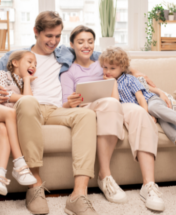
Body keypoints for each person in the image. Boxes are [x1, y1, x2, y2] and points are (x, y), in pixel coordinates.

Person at [0, 12, 101, 215]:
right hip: (29, 108)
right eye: (49, 36)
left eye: (58, 36)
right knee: (28, 101)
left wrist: (133, 71)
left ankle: (79, 194)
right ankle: (35, 187)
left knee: (87, 115)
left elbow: (100, 56)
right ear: (36, 32)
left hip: (56, 109)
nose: (54, 41)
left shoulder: (65, 53)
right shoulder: (18, 55)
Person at [60, 25, 170, 212]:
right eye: (80, 42)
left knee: (138, 112)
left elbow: (124, 67)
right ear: (72, 44)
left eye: (90, 41)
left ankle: (149, 185)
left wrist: (154, 88)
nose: (86, 45)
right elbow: (64, 105)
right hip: (89, 106)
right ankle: (105, 176)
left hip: (115, 102)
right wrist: (71, 101)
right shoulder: (68, 72)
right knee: (110, 104)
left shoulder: (101, 61)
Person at [100, 47, 176, 162]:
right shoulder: (107, 83)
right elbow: (115, 102)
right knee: (164, 122)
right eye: (105, 67)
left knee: (153, 107)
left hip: (150, 101)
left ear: (122, 68)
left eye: (112, 68)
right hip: (141, 109)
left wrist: (146, 114)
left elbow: (140, 98)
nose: (108, 71)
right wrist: (112, 83)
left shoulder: (129, 79)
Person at [0, 50, 38, 196]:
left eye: (35, 64)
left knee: (2, 132)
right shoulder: (3, 74)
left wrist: (27, 80)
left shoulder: (24, 83)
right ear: (15, 63)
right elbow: (2, 96)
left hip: (3, 118)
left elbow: (28, 101)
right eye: (29, 61)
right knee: (11, 112)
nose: (33, 66)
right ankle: (20, 165)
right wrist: (23, 95)